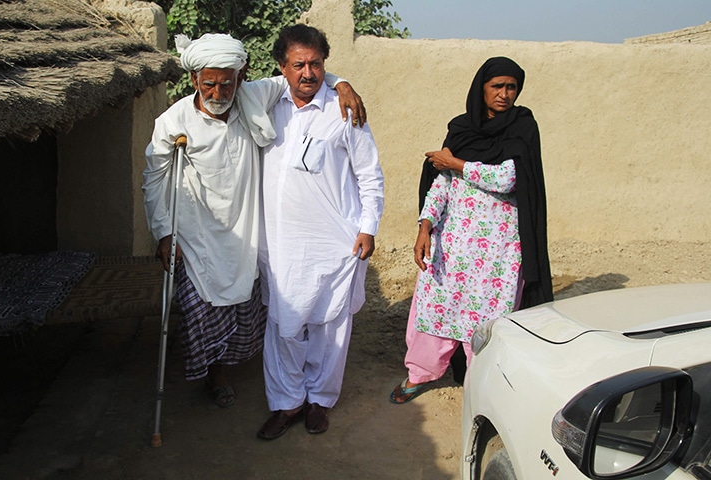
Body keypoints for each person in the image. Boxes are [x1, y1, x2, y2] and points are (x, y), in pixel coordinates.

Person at [142, 33, 365, 408]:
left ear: (241, 77)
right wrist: (164, 232)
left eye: (226, 83)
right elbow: (153, 178)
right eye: (209, 83)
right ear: (195, 79)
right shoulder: (173, 121)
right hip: (197, 232)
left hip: (246, 229)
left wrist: (341, 83)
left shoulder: (253, 97)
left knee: (246, 311)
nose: (218, 91)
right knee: (200, 311)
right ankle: (216, 376)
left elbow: (302, 73)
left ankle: (235, 367)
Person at [389, 56, 552, 404]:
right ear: (482, 88)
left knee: (488, 320)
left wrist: (457, 163)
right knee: (436, 309)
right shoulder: (461, 129)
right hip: (452, 245)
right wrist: (425, 227)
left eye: (512, 87)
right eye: (497, 86)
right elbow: (442, 183)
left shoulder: (523, 126)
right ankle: (420, 373)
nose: (505, 94)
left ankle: (482, 386)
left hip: (499, 251)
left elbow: (510, 178)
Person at [256, 24, 384, 439]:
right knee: (284, 326)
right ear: (282, 67)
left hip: (335, 241)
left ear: (324, 64)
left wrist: (368, 228)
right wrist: (340, 78)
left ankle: (319, 401)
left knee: (331, 328)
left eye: (317, 64)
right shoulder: (267, 101)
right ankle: (286, 403)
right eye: (299, 64)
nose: (308, 73)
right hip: (280, 242)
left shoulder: (345, 111)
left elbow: (370, 175)